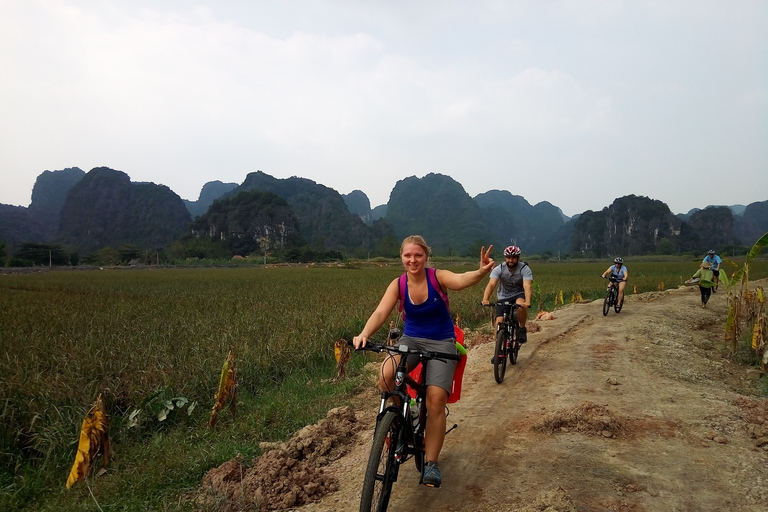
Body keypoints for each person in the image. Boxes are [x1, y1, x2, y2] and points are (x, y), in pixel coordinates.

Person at [353, 235, 494, 488]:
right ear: (402, 258)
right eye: (408, 255)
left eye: (418, 255)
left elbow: (461, 281)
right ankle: (399, 423)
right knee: (386, 375)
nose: (413, 260)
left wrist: (482, 272)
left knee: (436, 399)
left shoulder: (436, 277)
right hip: (411, 340)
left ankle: (431, 463)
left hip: (441, 341)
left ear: (426, 256)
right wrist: (364, 334)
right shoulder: (398, 284)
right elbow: (380, 312)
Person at [481, 245, 533, 355]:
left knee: (520, 306)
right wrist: (485, 299)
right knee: (499, 322)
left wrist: (527, 301)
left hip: (519, 294)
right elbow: (491, 284)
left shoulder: (524, 268)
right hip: (503, 296)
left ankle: (522, 329)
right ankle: (498, 350)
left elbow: (527, 286)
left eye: (513, 257)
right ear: (505, 258)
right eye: (508, 257)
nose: (511, 260)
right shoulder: (499, 268)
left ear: (518, 258)